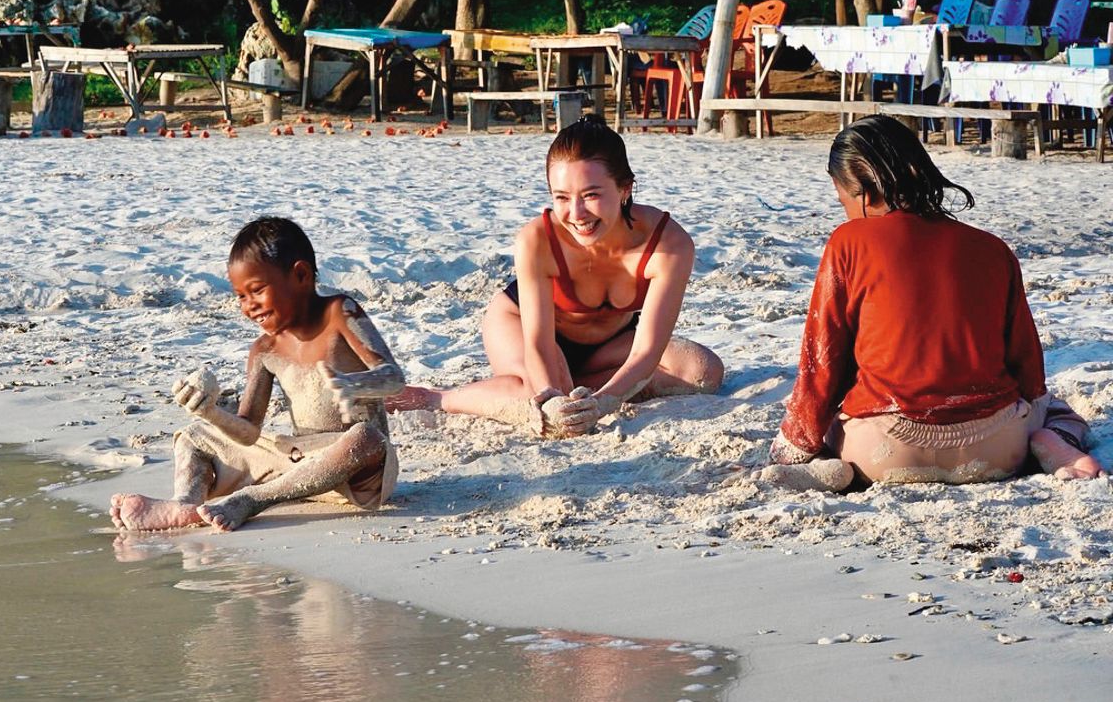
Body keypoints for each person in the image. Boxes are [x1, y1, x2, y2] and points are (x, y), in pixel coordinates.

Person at [764, 115, 1104, 492]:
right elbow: (1028, 369)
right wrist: (1033, 411)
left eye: (841, 197)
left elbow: (822, 363)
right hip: (998, 448)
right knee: (1057, 410)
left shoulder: (848, 241)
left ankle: (830, 468)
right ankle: (1055, 444)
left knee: (829, 421)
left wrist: (794, 444)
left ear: (862, 191)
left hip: (886, 450)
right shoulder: (992, 248)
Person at [392, 116, 723, 437]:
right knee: (559, 409)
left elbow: (647, 351)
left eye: (591, 195)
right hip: (525, 327)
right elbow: (537, 341)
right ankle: (437, 397)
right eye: (562, 198)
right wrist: (553, 396)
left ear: (624, 189)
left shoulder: (669, 243)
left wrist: (603, 402)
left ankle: (582, 388)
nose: (576, 214)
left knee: (703, 372)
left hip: (608, 341)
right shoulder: (537, 240)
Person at [110, 216, 405, 533]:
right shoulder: (264, 349)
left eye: (257, 290)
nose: (249, 306)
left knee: (366, 437)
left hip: (359, 472)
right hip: (299, 465)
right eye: (240, 296)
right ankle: (185, 502)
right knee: (195, 435)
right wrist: (210, 412)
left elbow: (393, 378)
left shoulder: (339, 312)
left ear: (301, 276)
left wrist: (356, 384)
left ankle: (251, 500)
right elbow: (249, 431)